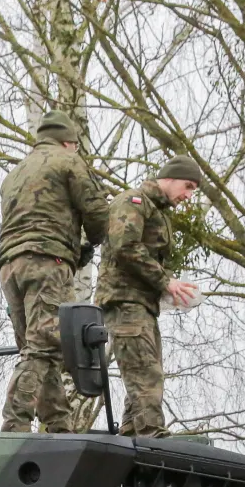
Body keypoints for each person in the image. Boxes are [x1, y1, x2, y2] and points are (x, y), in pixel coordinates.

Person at [0, 110, 109, 433]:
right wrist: (90, 243)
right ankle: (15, 421)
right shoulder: (68, 161)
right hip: (48, 261)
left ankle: (58, 423)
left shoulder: (14, 174)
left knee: (36, 347)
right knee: (45, 343)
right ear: (68, 141)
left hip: (9, 267)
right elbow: (99, 215)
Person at [96, 155, 204, 437]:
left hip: (142, 303)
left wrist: (166, 290)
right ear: (169, 178)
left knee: (147, 370)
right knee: (145, 373)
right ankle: (152, 434)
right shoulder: (134, 202)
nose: (189, 195)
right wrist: (165, 282)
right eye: (188, 186)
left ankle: (134, 430)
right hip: (125, 300)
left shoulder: (158, 211)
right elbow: (125, 246)